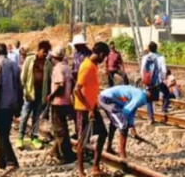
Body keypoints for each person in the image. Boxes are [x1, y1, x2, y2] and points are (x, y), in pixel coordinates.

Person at [74, 41, 110, 177]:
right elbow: (76, 90)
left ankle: (95, 167)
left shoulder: (93, 66)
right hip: (83, 109)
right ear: (101, 54)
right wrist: (89, 108)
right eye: (104, 56)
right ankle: (81, 171)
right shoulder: (87, 66)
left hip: (91, 107)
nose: (104, 59)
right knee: (82, 141)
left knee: (103, 133)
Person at [0, 43, 22, 172]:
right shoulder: (14, 65)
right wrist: (19, 105)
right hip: (11, 104)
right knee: (4, 133)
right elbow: (19, 86)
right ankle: (1, 161)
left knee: (0, 133)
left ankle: (11, 160)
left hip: (0, 104)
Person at [98, 85, 149, 158]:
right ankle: (122, 154)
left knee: (114, 123)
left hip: (106, 97)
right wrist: (127, 124)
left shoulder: (140, 94)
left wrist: (132, 128)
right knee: (123, 124)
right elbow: (126, 111)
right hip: (107, 99)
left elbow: (132, 111)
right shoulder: (141, 97)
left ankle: (109, 148)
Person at [18, 40, 52, 150]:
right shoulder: (29, 60)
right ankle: (20, 137)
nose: (45, 53)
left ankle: (34, 137)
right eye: (44, 51)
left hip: (41, 94)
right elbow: (23, 76)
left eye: (47, 52)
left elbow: (49, 80)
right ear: (39, 50)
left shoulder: (48, 64)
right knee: (24, 116)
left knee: (36, 118)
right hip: (29, 93)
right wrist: (22, 90)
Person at [47, 46, 76, 164]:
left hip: (58, 103)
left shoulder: (58, 68)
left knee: (59, 130)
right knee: (63, 128)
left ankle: (64, 155)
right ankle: (57, 151)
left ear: (54, 57)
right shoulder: (67, 68)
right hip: (66, 102)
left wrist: (51, 96)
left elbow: (60, 85)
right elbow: (72, 84)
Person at [140, 41, 169, 124]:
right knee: (166, 93)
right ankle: (164, 109)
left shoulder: (145, 57)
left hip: (148, 81)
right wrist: (162, 78)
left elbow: (142, 70)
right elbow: (163, 70)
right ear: (156, 48)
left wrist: (144, 79)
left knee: (149, 99)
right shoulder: (161, 57)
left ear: (149, 49)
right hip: (158, 81)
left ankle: (150, 117)